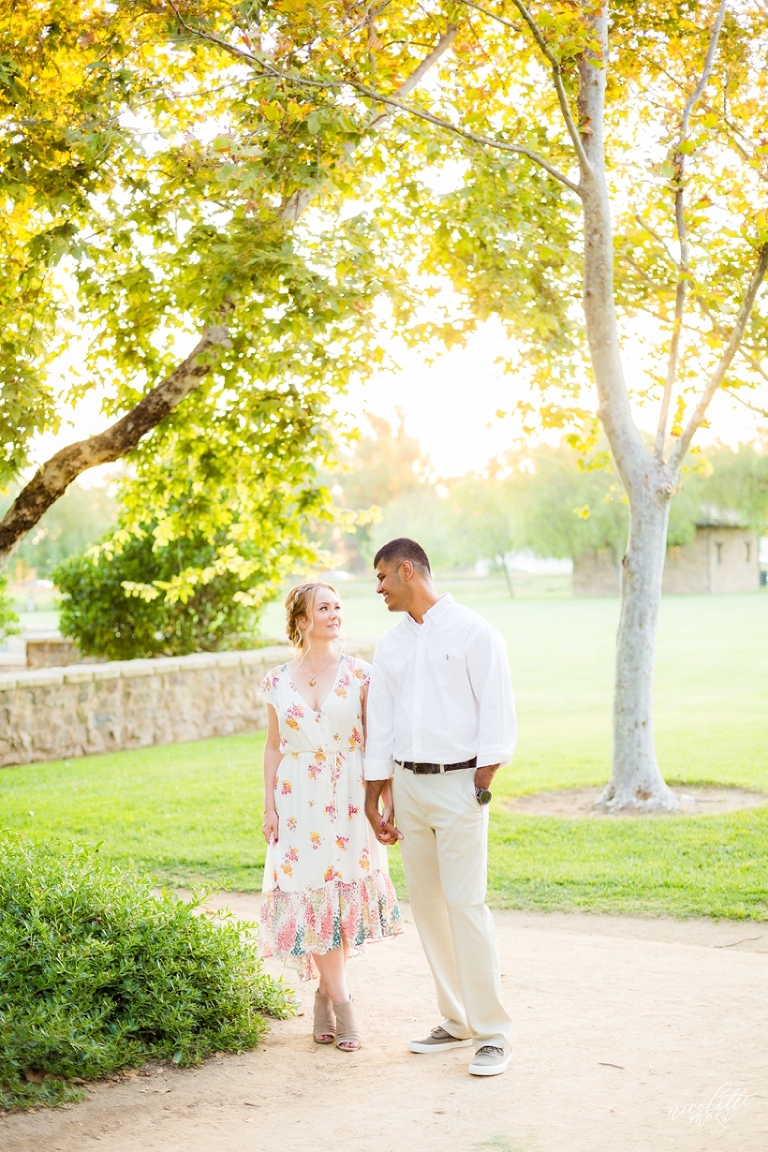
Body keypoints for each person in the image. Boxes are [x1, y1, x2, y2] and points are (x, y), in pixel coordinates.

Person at [364, 538, 517, 1077]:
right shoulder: (391, 645)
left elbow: (497, 713)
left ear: (408, 571)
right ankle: (456, 1021)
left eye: (382, 578)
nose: (378, 589)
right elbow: (380, 722)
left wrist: (481, 780)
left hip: (459, 788)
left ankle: (493, 1033)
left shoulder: (475, 632)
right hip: (405, 788)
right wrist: (375, 792)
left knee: (466, 904)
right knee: (427, 906)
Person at [259, 581, 402, 1052]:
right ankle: (343, 1003)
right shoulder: (277, 680)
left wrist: (385, 798)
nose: (335, 614)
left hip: (347, 797)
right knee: (309, 894)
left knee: (338, 900)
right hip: (297, 802)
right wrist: (268, 807)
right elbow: (273, 746)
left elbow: (380, 742)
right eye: (324, 608)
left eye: (338, 606)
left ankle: (324, 995)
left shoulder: (360, 674)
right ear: (302, 621)